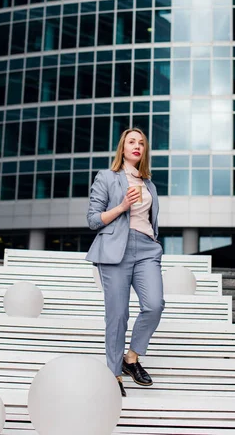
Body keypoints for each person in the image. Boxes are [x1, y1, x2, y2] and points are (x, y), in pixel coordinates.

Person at [86, 128, 165, 397]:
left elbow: (151, 220)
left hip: (146, 249)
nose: (137, 146)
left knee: (154, 305)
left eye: (142, 143)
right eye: (132, 141)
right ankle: (113, 375)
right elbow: (93, 220)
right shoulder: (107, 177)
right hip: (115, 248)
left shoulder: (149, 184)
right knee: (118, 314)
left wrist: (154, 242)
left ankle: (131, 358)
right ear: (122, 147)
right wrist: (121, 207)